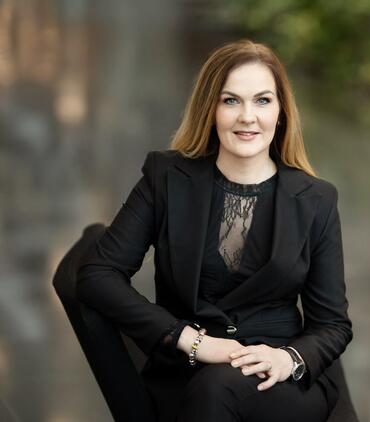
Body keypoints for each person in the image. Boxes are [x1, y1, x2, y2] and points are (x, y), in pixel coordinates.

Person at [76, 39, 353, 422]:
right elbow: (98, 275)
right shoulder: (166, 177)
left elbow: (333, 324)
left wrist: (288, 358)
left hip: (278, 380)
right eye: (231, 101)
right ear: (210, 109)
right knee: (212, 388)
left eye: (262, 100)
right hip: (186, 372)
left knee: (217, 389)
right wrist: (190, 340)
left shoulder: (316, 199)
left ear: (281, 112)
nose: (247, 117)